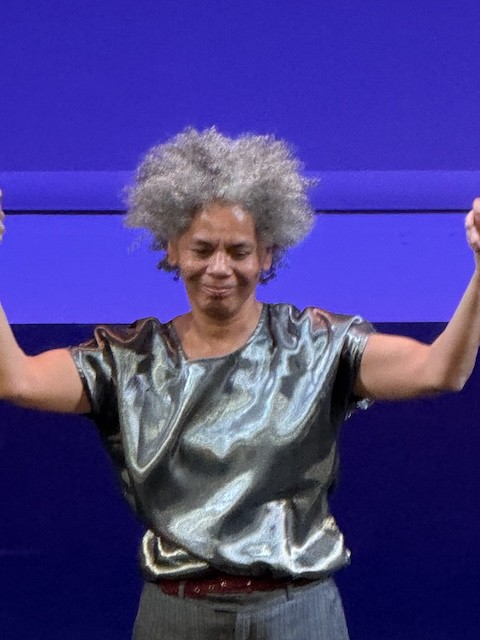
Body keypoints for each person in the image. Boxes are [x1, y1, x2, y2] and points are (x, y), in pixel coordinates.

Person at [1, 127, 480, 640]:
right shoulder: (129, 361)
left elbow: (440, 371)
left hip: (298, 612)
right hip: (176, 614)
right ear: (172, 249)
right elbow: (18, 379)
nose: (219, 268)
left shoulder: (317, 346)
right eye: (202, 249)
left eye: (238, 250)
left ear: (266, 255)